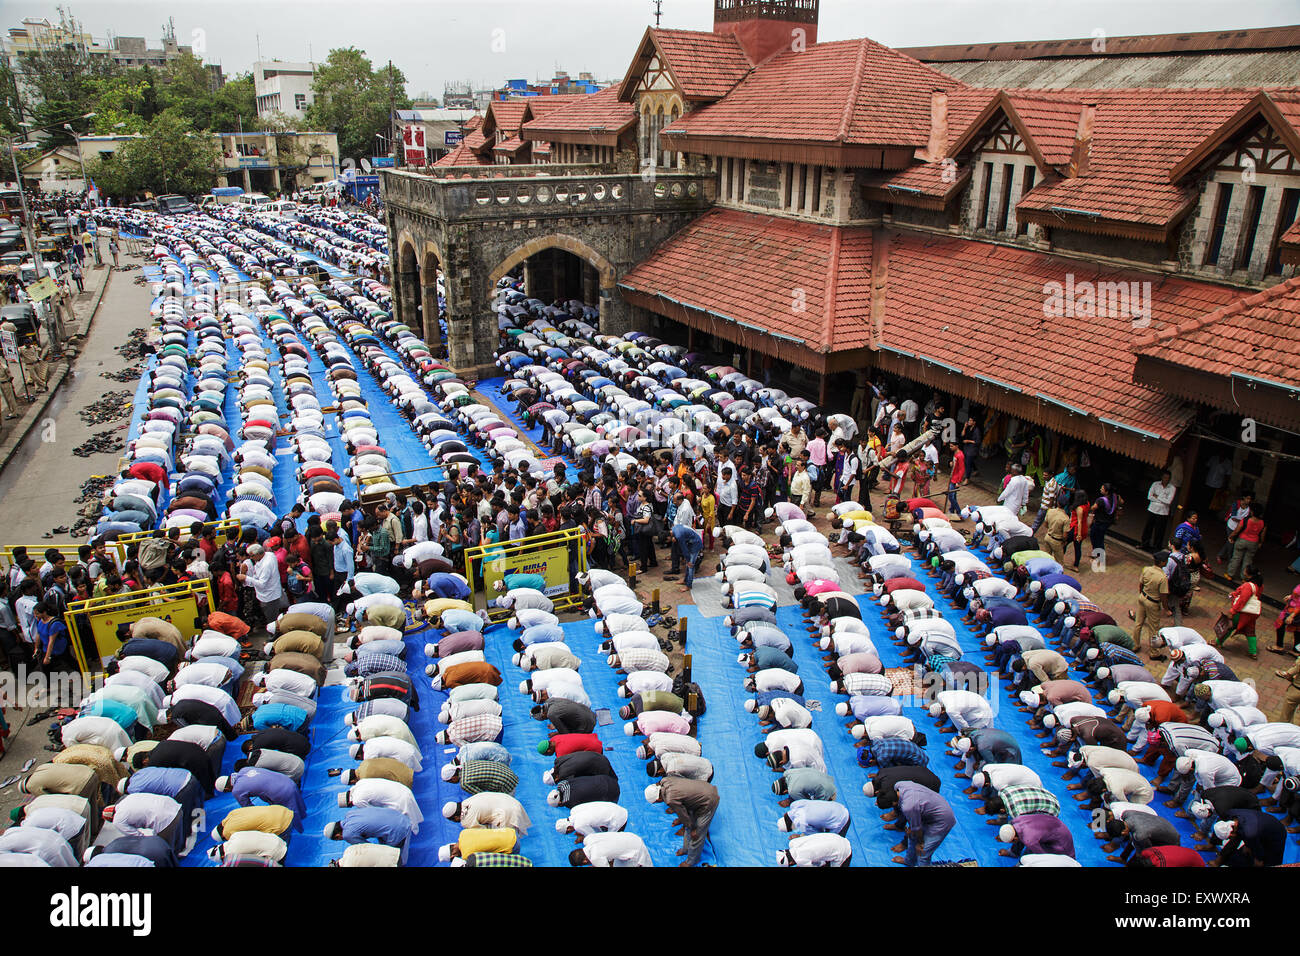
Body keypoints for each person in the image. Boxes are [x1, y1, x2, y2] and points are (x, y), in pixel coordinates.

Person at [644, 776, 719, 866]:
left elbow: (683, 815)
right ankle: (686, 849)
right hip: (702, 792)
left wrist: (694, 829)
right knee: (689, 825)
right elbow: (685, 815)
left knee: (697, 834)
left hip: (709, 800)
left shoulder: (670, 799)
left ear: (658, 799)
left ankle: (691, 861)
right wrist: (689, 825)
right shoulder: (665, 781)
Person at [890, 780, 955, 866]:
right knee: (912, 836)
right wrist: (912, 829)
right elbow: (914, 820)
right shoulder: (899, 786)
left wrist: (920, 843)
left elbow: (917, 828)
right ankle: (909, 861)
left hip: (942, 820)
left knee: (922, 852)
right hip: (929, 813)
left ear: (894, 803)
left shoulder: (908, 806)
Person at [1130, 551, 1169, 657]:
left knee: (1138, 623)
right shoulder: (1163, 577)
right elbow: (1163, 596)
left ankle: (1135, 645)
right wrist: (1166, 609)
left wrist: (1142, 595)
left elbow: (1140, 585)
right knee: (1153, 629)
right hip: (1153, 603)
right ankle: (1154, 652)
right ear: (1162, 562)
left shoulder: (1146, 569)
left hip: (1143, 597)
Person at [1219, 566, 1263, 659]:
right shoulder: (1259, 585)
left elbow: (1242, 600)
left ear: (1248, 574)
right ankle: (1253, 651)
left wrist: (1233, 611)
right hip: (1252, 613)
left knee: (1229, 626)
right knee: (1250, 631)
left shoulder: (1248, 586)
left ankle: (1218, 642)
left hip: (1243, 612)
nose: (1243, 571)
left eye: (1245, 570)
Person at [1225, 504, 1265, 583]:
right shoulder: (1263, 523)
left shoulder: (1246, 520)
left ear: (1252, 512)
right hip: (1253, 543)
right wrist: (1260, 543)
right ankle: (1245, 578)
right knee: (1248, 560)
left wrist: (1231, 536)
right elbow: (1263, 535)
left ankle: (1230, 574)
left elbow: (1237, 530)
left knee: (1236, 557)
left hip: (1242, 540)